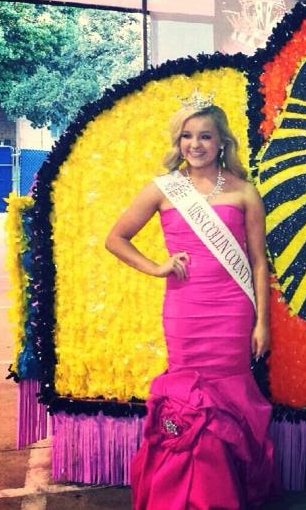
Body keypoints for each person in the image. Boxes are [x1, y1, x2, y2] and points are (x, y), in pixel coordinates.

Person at [105, 97, 274, 508]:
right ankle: (183, 496)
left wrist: (262, 323)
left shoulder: (245, 194)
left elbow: (257, 262)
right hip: (185, 310)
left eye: (204, 136)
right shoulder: (164, 189)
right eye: (187, 136)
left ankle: (225, 491)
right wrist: (157, 267)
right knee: (187, 398)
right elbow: (115, 238)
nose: (194, 144)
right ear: (178, 141)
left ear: (221, 143)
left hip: (233, 311)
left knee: (229, 394)